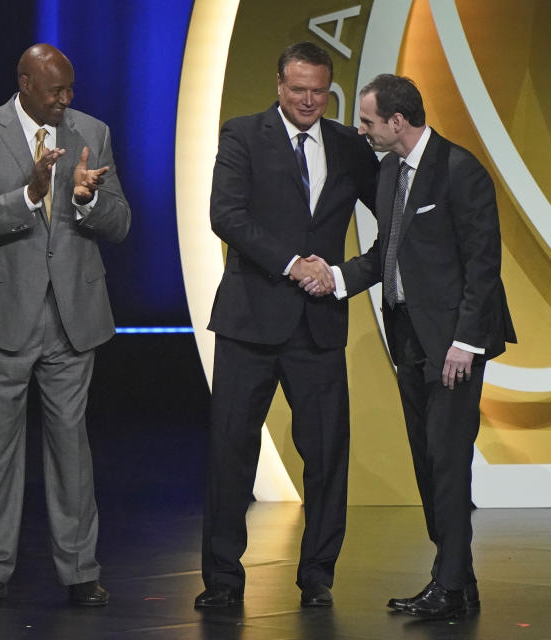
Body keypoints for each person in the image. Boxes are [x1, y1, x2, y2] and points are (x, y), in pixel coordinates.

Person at [305, 73, 516, 618]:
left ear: (397, 121)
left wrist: (466, 342)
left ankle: (447, 588)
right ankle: (459, 581)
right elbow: (385, 252)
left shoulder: (459, 170)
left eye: (369, 121)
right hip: (410, 340)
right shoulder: (389, 173)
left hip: (454, 347)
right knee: (428, 462)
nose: (361, 129)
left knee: (447, 461)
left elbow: (483, 265)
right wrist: (338, 277)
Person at [196, 42, 378, 609]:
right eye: (298, 89)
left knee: (326, 455)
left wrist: (346, 276)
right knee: (231, 451)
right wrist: (292, 264)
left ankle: (318, 577)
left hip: (319, 326)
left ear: (331, 89)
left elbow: (392, 220)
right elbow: (225, 214)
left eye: (318, 91)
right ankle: (223, 580)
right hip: (250, 321)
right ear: (279, 85)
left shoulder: (350, 146)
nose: (307, 100)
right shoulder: (243, 135)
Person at [0, 43, 130, 607]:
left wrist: (86, 200)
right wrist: (29, 195)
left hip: (72, 316)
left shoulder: (92, 132)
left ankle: (80, 570)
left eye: (70, 89)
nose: (66, 99)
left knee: (70, 445)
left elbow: (121, 222)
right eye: (56, 90)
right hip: (3, 316)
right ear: (26, 83)